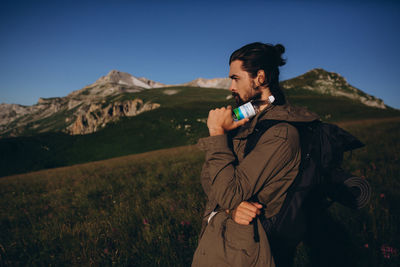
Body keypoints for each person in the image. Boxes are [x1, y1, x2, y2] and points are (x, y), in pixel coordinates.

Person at [192, 42, 319, 267]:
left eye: (236, 78)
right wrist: (232, 209)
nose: (231, 87)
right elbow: (208, 179)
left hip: (247, 253)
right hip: (220, 244)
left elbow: (228, 192)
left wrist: (216, 132)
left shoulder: (281, 134)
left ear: (260, 77)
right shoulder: (245, 124)